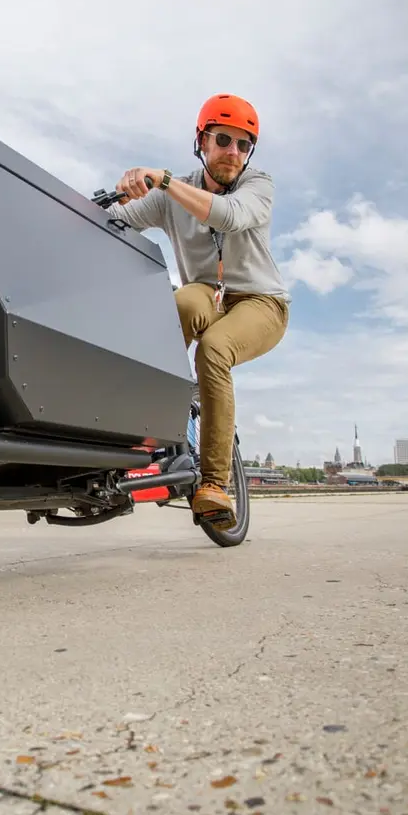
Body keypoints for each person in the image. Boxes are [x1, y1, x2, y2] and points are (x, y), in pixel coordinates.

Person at [105, 93, 290, 529]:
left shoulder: (257, 184)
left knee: (214, 349)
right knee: (183, 300)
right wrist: (113, 196)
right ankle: (138, 421)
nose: (233, 152)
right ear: (202, 142)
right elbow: (116, 219)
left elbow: (228, 216)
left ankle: (213, 484)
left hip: (260, 302)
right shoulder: (171, 196)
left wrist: (163, 180)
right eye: (223, 139)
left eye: (244, 145)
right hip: (207, 293)